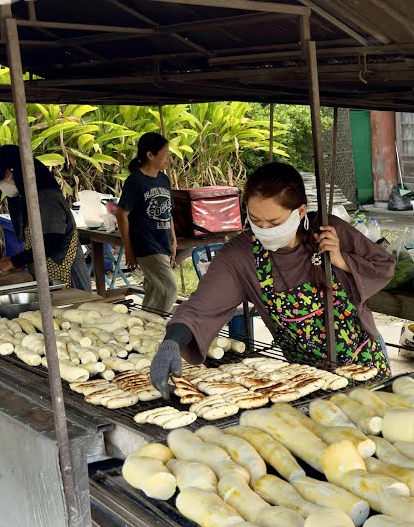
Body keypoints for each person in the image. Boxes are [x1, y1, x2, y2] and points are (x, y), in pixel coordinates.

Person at [148, 163, 394, 396]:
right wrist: (172, 340)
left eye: (275, 222)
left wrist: (341, 260)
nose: (265, 229)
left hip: (364, 363)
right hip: (306, 378)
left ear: (299, 211)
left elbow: (383, 267)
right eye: (256, 221)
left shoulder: (328, 231)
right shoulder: (241, 257)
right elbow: (201, 307)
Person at [0, 145, 91, 291]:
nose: (0, 184)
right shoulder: (32, 198)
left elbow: (52, 242)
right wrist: (22, 262)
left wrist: (14, 261)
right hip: (49, 276)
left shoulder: (46, 198)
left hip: (66, 277)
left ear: (13, 171)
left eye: (0, 178)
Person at [116, 132, 178, 313]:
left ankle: (143, 325)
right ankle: (157, 325)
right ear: (150, 155)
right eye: (165, 154)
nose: (168, 158)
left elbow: (169, 211)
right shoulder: (135, 181)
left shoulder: (163, 178)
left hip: (163, 241)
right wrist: (128, 248)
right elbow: (121, 214)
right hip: (146, 244)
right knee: (169, 289)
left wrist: (173, 240)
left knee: (154, 290)